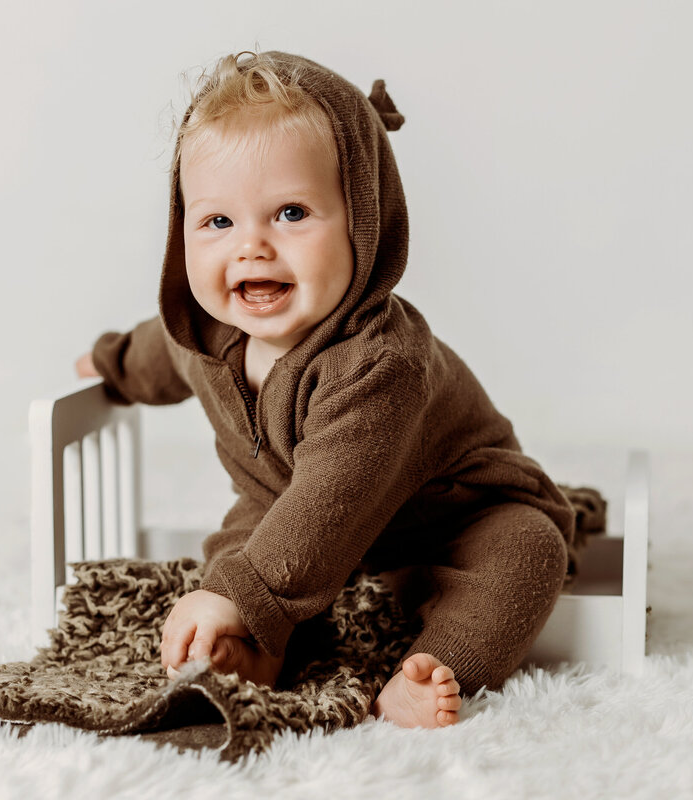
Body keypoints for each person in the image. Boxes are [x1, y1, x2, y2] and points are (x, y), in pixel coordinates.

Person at [75, 50, 575, 729]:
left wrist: (240, 593)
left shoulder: (380, 363)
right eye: (218, 222)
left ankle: (432, 668)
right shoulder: (205, 334)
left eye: (290, 213)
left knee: (529, 551)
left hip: (451, 513)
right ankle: (255, 653)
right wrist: (112, 363)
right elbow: (157, 351)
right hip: (289, 511)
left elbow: (331, 498)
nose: (251, 246)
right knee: (238, 552)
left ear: (363, 221)